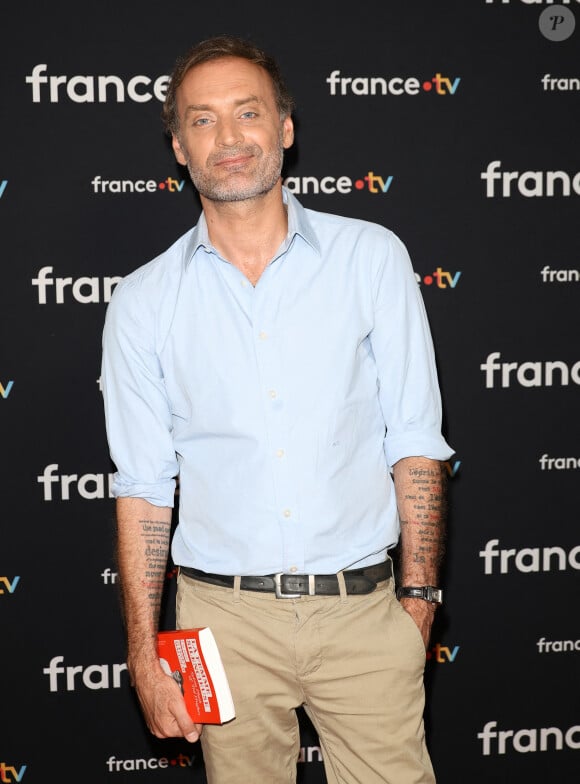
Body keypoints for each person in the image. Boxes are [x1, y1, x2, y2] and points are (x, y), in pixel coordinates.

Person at [101, 34, 454, 784]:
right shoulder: (143, 301)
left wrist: (419, 602)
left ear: (284, 129)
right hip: (219, 626)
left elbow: (416, 439)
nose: (229, 139)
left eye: (248, 113)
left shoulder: (372, 257)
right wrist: (144, 651)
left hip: (364, 613)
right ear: (177, 147)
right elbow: (142, 484)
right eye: (202, 120)